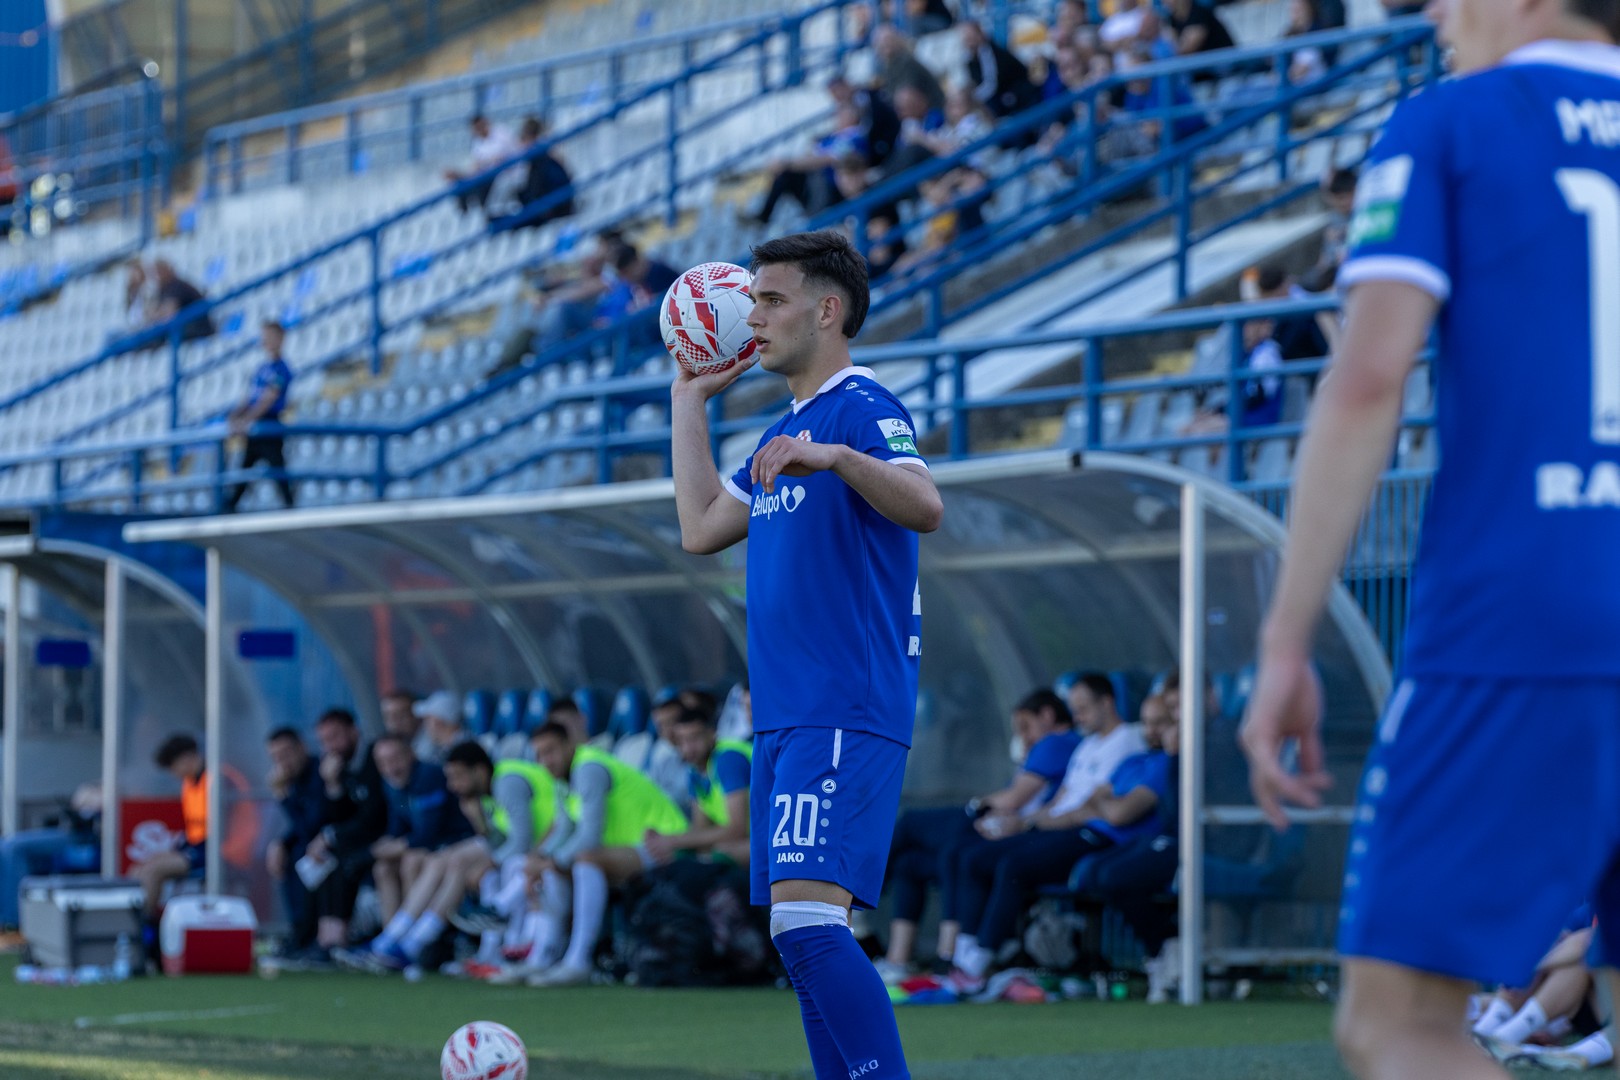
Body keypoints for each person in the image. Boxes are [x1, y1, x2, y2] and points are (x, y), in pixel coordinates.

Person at [1238, 0, 1620, 1074]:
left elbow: (1368, 380)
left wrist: (1286, 639)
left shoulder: (1453, 120)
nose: (1440, 16)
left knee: (1397, 1024)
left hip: (1527, 612)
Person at [671, 229, 942, 1080]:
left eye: (770, 299)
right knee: (802, 934)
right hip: (789, 717)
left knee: (808, 928)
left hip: (841, 705)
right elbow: (700, 528)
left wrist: (838, 457)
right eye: (751, 299)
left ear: (827, 312)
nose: (752, 316)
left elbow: (926, 503)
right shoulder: (785, 430)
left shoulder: (858, 405)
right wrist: (689, 400)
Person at [880, 688, 1079, 979]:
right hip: (1003, 829)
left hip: (1004, 830)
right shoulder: (1056, 750)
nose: (1023, 737)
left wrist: (977, 806)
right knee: (909, 864)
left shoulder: (1056, 742)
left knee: (911, 823)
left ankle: (860, 896)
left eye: (1025, 727)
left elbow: (1012, 800)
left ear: (1047, 716)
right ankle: (899, 960)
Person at [516, 721, 688, 986]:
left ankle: (578, 961)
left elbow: (589, 837)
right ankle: (542, 955)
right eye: (539, 754)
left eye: (550, 751)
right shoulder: (562, 780)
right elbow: (564, 829)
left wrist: (549, 862)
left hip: (665, 845)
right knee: (553, 864)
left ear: (569, 745)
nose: (545, 761)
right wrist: (539, 859)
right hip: (626, 851)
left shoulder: (589, 769)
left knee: (584, 859)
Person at [135, 734, 257, 925]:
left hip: (226, 853)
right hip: (203, 849)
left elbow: (221, 831)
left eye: (173, 766)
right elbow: (196, 830)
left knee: (155, 871)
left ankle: (144, 927)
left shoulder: (219, 779)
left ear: (187, 757)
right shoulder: (191, 783)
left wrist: (188, 852)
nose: (174, 774)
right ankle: (136, 920)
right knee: (141, 868)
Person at [368, 734, 473, 925]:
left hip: (453, 841)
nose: (390, 768)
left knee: (411, 861)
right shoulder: (390, 783)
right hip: (429, 844)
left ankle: (411, 930)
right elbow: (397, 828)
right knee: (382, 868)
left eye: (395, 758)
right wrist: (385, 845)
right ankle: (389, 932)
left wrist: (393, 847)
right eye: (382, 762)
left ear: (411, 754)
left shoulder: (429, 775)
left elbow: (428, 834)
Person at [650, 706, 752, 864]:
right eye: (681, 741)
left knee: (720, 855)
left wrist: (673, 840)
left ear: (712, 734)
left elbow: (737, 830)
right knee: (681, 856)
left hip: (772, 837)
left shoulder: (728, 760)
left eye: (694, 738)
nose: (687, 748)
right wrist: (667, 843)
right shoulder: (695, 771)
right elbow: (701, 830)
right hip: (748, 839)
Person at [222, 320, 296, 513]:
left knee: (276, 466)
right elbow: (251, 398)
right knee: (246, 466)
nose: (267, 341)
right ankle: (231, 506)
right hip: (256, 426)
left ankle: (290, 507)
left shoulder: (281, 369)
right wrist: (236, 415)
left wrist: (247, 420)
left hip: (269, 425)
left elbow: (268, 399)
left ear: (281, 339)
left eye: (270, 337)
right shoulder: (262, 368)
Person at [265, 727, 327, 954]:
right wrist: (280, 843)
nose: (283, 763)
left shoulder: (320, 772)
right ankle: (298, 932)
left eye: (286, 754)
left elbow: (311, 825)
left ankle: (306, 936)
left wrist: (283, 796)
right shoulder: (294, 779)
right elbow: (298, 828)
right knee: (285, 855)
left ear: (302, 748)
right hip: (312, 843)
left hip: (333, 843)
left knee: (302, 857)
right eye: (276, 758)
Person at [444, 114, 521, 213]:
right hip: (488, 176)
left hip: (508, 173)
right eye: (476, 128)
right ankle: (465, 211)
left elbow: (511, 152)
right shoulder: (477, 143)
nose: (479, 130)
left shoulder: (501, 132)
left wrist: (491, 161)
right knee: (462, 183)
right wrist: (459, 174)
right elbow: (477, 166)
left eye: (481, 126)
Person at [150, 260, 216, 342]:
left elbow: (169, 314)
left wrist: (156, 315)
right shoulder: (163, 290)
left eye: (160, 271)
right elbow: (150, 314)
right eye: (155, 273)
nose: (157, 276)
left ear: (168, 270)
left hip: (198, 326)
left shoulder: (177, 285)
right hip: (185, 327)